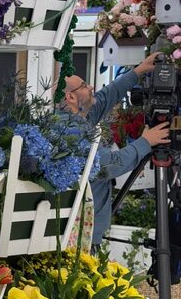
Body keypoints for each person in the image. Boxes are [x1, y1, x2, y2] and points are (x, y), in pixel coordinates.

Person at [62, 52, 171, 250]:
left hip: (83, 232)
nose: (92, 87)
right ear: (70, 97)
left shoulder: (78, 118)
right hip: (78, 239)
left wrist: (139, 70)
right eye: (85, 86)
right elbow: (108, 165)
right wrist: (146, 142)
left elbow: (105, 97)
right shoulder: (71, 130)